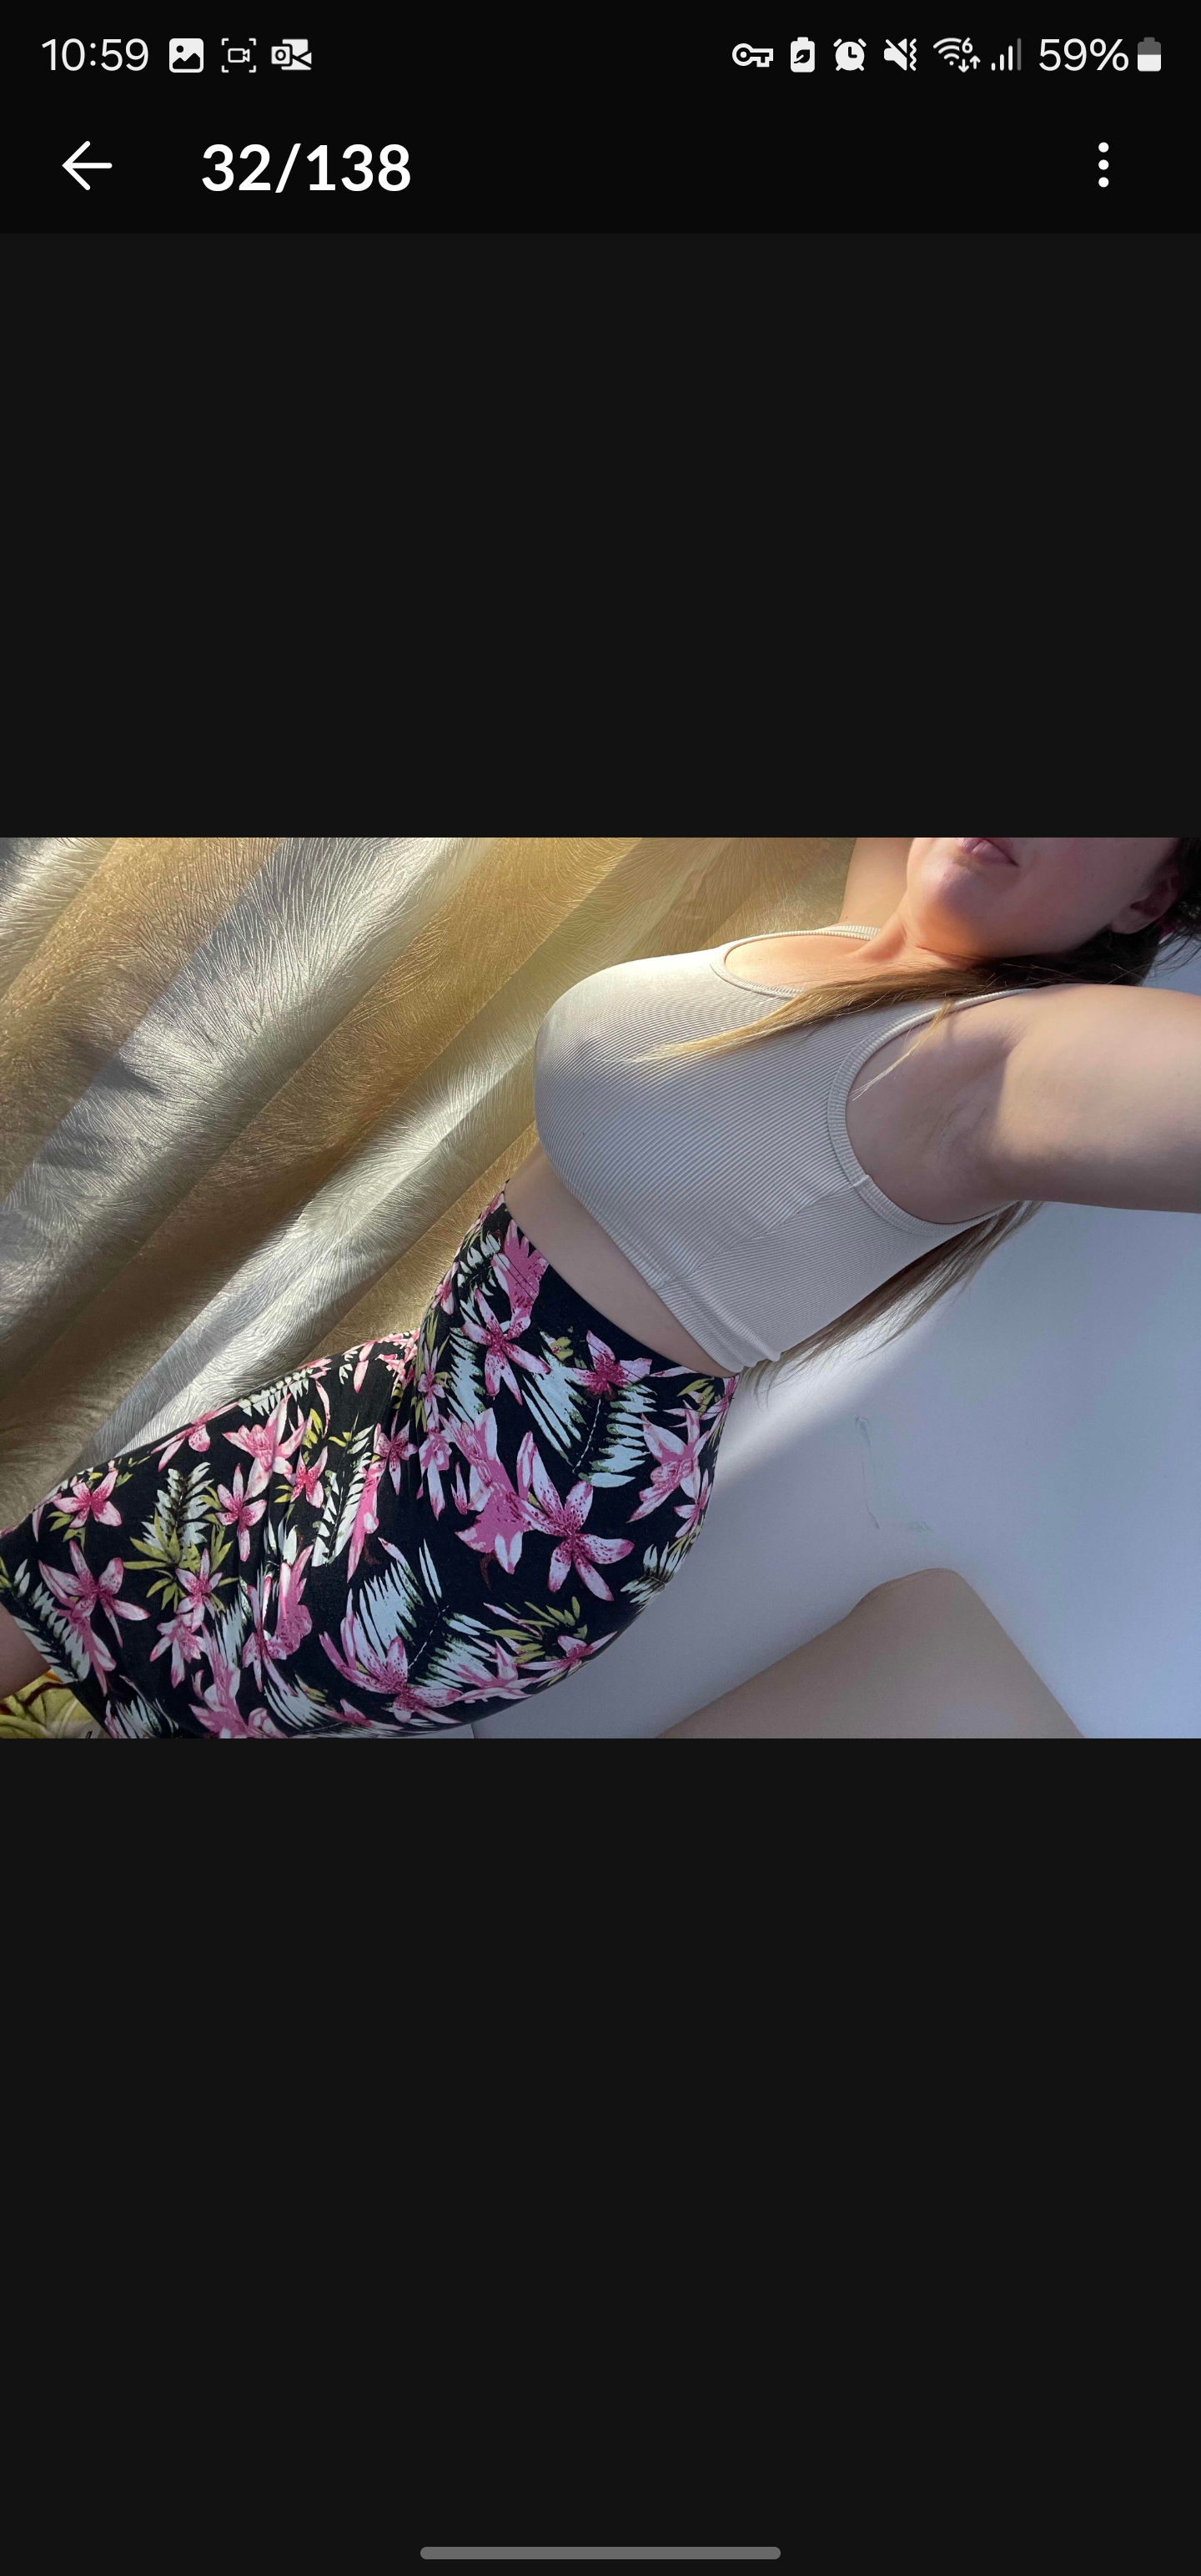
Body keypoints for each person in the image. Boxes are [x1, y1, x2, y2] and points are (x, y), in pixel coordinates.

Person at [2, 837, 1198, 1737]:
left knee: (152, 1685)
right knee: (61, 1563)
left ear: (1152, 894)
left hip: (505, 1529)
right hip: (406, 1400)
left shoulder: (988, 1059)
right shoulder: (880, 925)